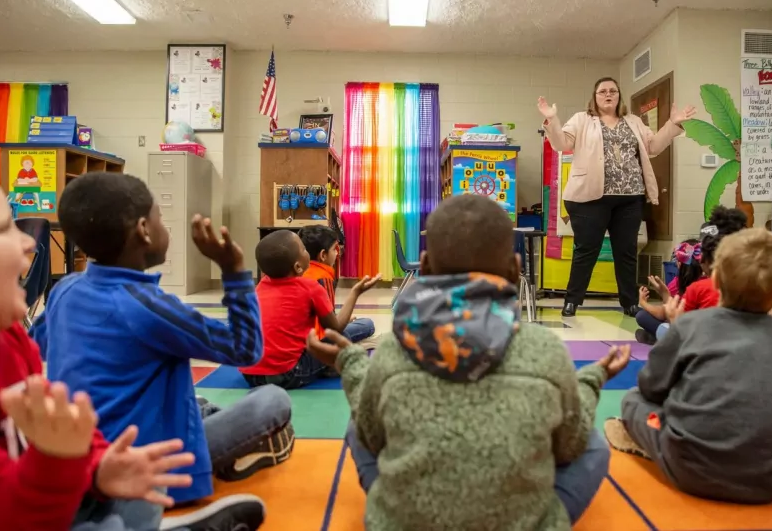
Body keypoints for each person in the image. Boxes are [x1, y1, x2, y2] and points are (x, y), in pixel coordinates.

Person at [306, 194, 632, 530]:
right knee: (593, 444)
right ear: (514, 270)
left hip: (402, 524)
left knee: (358, 421)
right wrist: (592, 378)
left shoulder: (394, 348)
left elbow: (372, 436)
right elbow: (569, 445)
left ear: (425, 267)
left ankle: (394, 508)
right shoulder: (545, 348)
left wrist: (350, 361)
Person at [0, 186, 265, 530]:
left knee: (196, 402)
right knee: (270, 401)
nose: (28, 242)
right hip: (148, 470)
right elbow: (246, 348)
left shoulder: (63, 291)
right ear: (143, 230)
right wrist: (234, 269)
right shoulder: (148, 306)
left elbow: (42, 345)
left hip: (94, 464)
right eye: (161, 219)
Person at [605, 228, 772, 504]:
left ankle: (655, 439)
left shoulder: (691, 325)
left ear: (716, 278)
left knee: (633, 401)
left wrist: (676, 332)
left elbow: (651, 386)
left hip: (691, 468)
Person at [538, 78, 697, 317]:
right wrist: (552, 120)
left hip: (630, 197)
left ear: (619, 96)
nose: (608, 95)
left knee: (626, 252)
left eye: (613, 91)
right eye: (602, 91)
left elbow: (653, 147)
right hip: (589, 199)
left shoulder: (633, 121)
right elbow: (561, 144)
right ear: (595, 97)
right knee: (586, 251)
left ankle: (630, 302)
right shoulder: (582, 119)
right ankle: (572, 301)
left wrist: (672, 124)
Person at [240, 230, 380, 390]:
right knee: (336, 341)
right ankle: (332, 367)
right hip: (287, 374)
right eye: (304, 249)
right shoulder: (310, 287)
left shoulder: (259, 288)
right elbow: (335, 329)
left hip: (250, 375)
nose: (307, 252)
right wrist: (355, 292)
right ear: (298, 267)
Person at [654, 206, 747, 340]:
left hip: (707, 344)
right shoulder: (752, 286)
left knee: (663, 330)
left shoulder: (699, 288)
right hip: (745, 344)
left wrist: (665, 298)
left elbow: (681, 330)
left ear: (704, 260)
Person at [299, 225, 375, 343]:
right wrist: (344, 319)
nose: (337, 253)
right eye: (334, 249)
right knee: (368, 324)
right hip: (319, 340)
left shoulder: (300, 271)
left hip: (301, 335)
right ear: (323, 255)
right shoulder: (323, 277)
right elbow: (333, 327)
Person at [635, 239, 702, 344]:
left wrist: (643, 303)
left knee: (642, 316)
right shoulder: (709, 282)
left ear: (679, 263)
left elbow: (666, 314)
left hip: (690, 337)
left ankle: (659, 338)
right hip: (709, 334)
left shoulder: (683, 286)